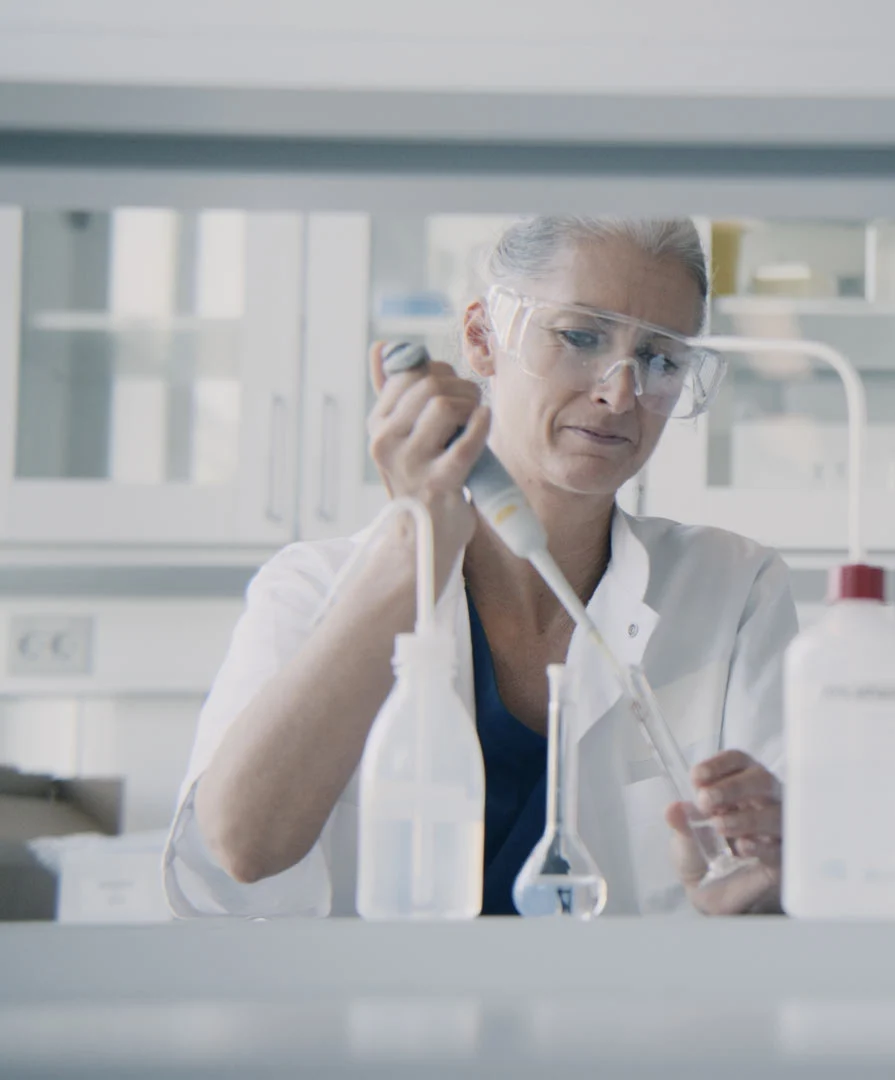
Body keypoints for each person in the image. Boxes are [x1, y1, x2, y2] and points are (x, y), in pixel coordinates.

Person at [165, 216, 794, 917]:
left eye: (660, 358)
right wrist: (416, 544)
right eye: (580, 337)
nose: (620, 394)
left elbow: (787, 877)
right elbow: (242, 849)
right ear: (481, 337)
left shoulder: (732, 588)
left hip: (631, 1019)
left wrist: (766, 877)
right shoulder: (311, 587)